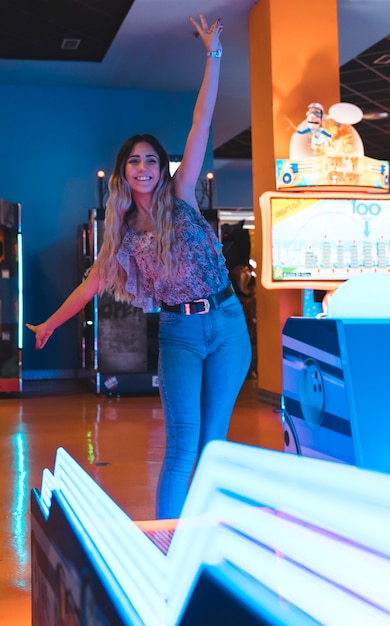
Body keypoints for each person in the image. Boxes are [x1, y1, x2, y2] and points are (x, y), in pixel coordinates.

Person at [26, 14, 252, 520]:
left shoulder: (183, 195)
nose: (145, 168)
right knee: (182, 446)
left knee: (213, 448)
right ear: (124, 173)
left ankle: (208, 538)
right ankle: (171, 543)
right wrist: (48, 325)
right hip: (179, 332)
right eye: (135, 162)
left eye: (151, 160)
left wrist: (213, 54)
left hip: (229, 324)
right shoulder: (123, 237)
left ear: (161, 167)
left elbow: (201, 121)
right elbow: (89, 287)